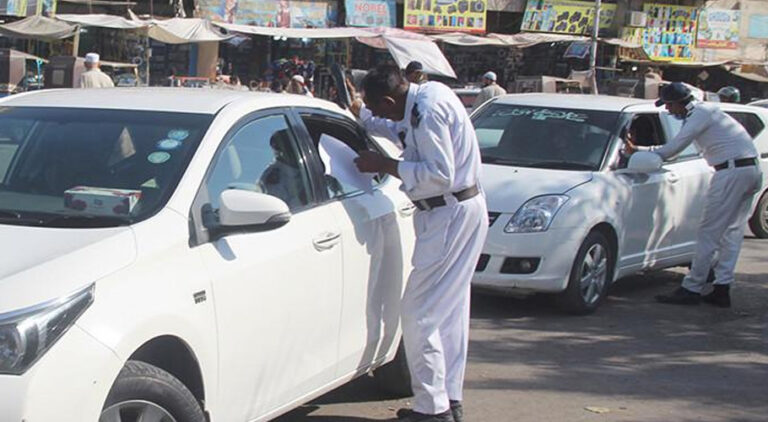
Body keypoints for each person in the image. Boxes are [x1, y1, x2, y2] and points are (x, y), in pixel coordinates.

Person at [350, 65, 488, 422]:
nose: (380, 115)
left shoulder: (426, 112)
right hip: (460, 210)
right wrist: (363, 117)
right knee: (449, 315)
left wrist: (384, 164)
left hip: (448, 214)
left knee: (418, 312)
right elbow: (397, 126)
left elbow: (438, 175)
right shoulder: (424, 98)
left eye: (379, 108)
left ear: (390, 98)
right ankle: (449, 400)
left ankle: (432, 409)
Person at [626, 82, 762, 307]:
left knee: (709, 232)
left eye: (670, 105)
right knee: (731, 232)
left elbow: (673, 148)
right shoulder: (708, 113)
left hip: (731, 173)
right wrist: (643, 150)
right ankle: (721, 288)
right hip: (747, 170)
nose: (668, 110)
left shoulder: (699, 114)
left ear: (681, 102)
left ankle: (692, 288)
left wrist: (637, 152)